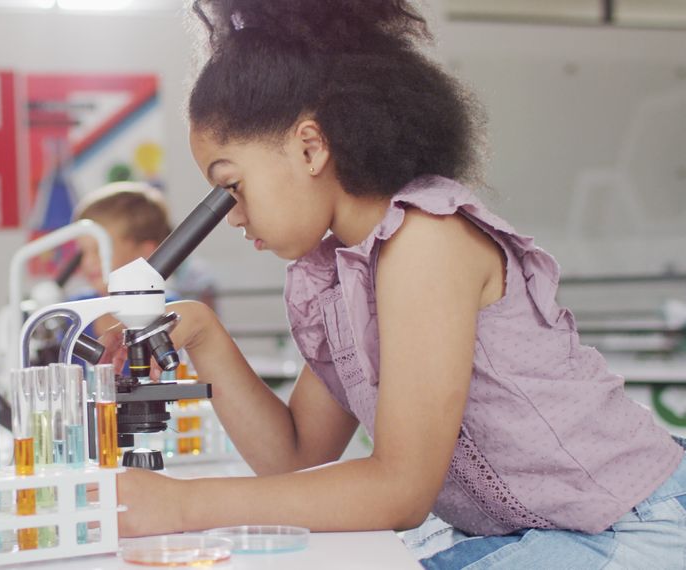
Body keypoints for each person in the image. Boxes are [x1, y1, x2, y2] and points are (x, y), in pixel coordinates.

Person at [108, 2, 686, 568]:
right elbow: (296, 460)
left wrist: (183, 504)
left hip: (628, 523)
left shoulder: (426, 240)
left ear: (311, 147)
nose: (231, 216)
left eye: (230, 186)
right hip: (538, 529)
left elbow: (401, 492)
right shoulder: (347, 273)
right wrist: (203, 334)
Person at [73, 181, 217, 335]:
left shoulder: (172, 315)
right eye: (83, 252)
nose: (87, 262)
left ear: (144, 253)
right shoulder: (73, 312)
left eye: (99, 251)